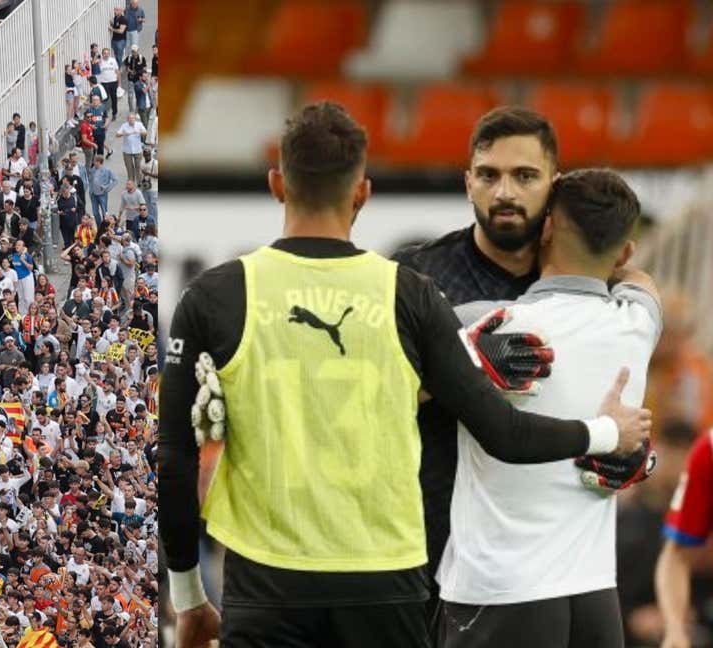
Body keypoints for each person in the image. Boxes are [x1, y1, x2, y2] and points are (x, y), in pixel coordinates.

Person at [158, 102, 651, 647]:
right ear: (467, 182)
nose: (505, 192)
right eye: (489, 175)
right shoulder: (418, 280)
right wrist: (463, 358)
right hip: (432, 567)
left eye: (525, 176)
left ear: (553, 193)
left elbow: (633, 395)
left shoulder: (597, 283)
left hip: (552, 569)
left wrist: (634, 451)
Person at [436, 170, 662, 648]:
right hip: (595, 596)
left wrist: (472, 353)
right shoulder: (639, 323)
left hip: (499, 592)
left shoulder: (484, 326)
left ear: (545, 229)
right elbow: (641, 280)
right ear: (624, 250)